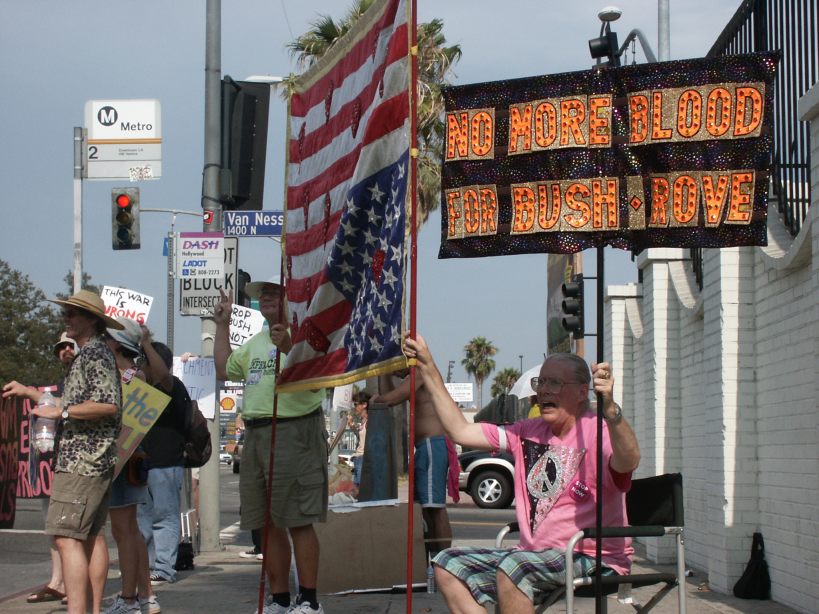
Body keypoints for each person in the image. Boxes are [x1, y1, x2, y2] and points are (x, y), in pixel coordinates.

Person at [403, 334, 641, 613]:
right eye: (542, 382)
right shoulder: (527, 431)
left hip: (591, 556)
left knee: (514, 568)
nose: (545, 391)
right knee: (447, 564)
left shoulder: (599, 430)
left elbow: (628, 460)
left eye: (556, 383)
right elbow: (460, 430)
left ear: (581, 391)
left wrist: (611, 410)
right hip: (534, 556)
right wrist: (428, 365)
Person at [4, 289, 124, 614]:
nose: (66, 318)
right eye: (66, 312)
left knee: (66, 538)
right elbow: (70, 403)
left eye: (72, 313)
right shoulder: (88, 354)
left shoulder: (95, 354)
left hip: (82, 462)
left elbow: (107, 404)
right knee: (86, 537)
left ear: (92, 320)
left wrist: (64, 413)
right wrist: (30, 392)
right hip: (88, 461)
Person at [214, 276, 327, 614]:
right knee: (268, 522)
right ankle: (279, 599)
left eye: (273, 293)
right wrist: (221, 325)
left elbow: (321, 369)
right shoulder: (253, 343)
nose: (264, 298)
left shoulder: (306, 335)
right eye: (261, 295)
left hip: (294, 430)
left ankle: (308, 600)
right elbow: (223, 369)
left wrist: (289, 346)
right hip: (258, 432)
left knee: (297, 519)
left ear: (289, 299)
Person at [102, 318, 160, 614]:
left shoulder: (125, 376)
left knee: (123, 530)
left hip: (122, 459)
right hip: (130, 459)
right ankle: (143, 595)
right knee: (130, 529)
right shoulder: (134, 374)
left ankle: (128, 599)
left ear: (115, 343)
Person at [16, 332, 76, 605]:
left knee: (74, 527)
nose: (65, 350)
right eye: (60, 347)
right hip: (52, 460)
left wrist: (29, 392)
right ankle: (59, 581)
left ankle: (75, 584)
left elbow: (67, 406)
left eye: (69, 345)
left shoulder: (86, 376)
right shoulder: (66, 380)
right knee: (53, 524)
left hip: (77, 463)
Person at [370, 372, 455, 560]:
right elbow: (390, 394)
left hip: (433, 444)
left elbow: (392, 398)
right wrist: (383, 371)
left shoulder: (423, 372)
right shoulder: (413, 377)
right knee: (425, 508)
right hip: (424, 447)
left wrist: (379, 399)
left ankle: (446, 561)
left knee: (435, 507)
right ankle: (434, 558)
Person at [136, 340, 189, 588]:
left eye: (144, 361)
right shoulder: (140, 388)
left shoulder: (172, 386)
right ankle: (149, 565)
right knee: (143, 519)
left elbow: (163, 374)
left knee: (165, 517)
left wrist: (146, 343)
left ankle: (164, 568)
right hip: (143, 464)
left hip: (166, 463)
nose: (140, 366)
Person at [346, 392, 369, 495]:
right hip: (358, 457)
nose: (354, 407)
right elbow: (361, 438)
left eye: (356, 404)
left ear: (364, 404)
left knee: (359, 489)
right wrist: (351, 425)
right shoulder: (364, 420)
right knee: (356, 488)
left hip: (363, 457)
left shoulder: (369, 421)